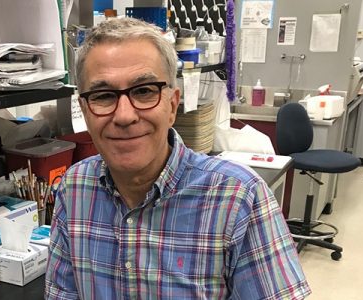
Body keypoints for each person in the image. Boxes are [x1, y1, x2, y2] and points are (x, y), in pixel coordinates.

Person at [45, 18, 311, 299]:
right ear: (85, 110)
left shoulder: (239, 198)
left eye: (144, 91)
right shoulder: (74, 188)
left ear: (172, 105)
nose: (124, 115)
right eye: (103, 95)